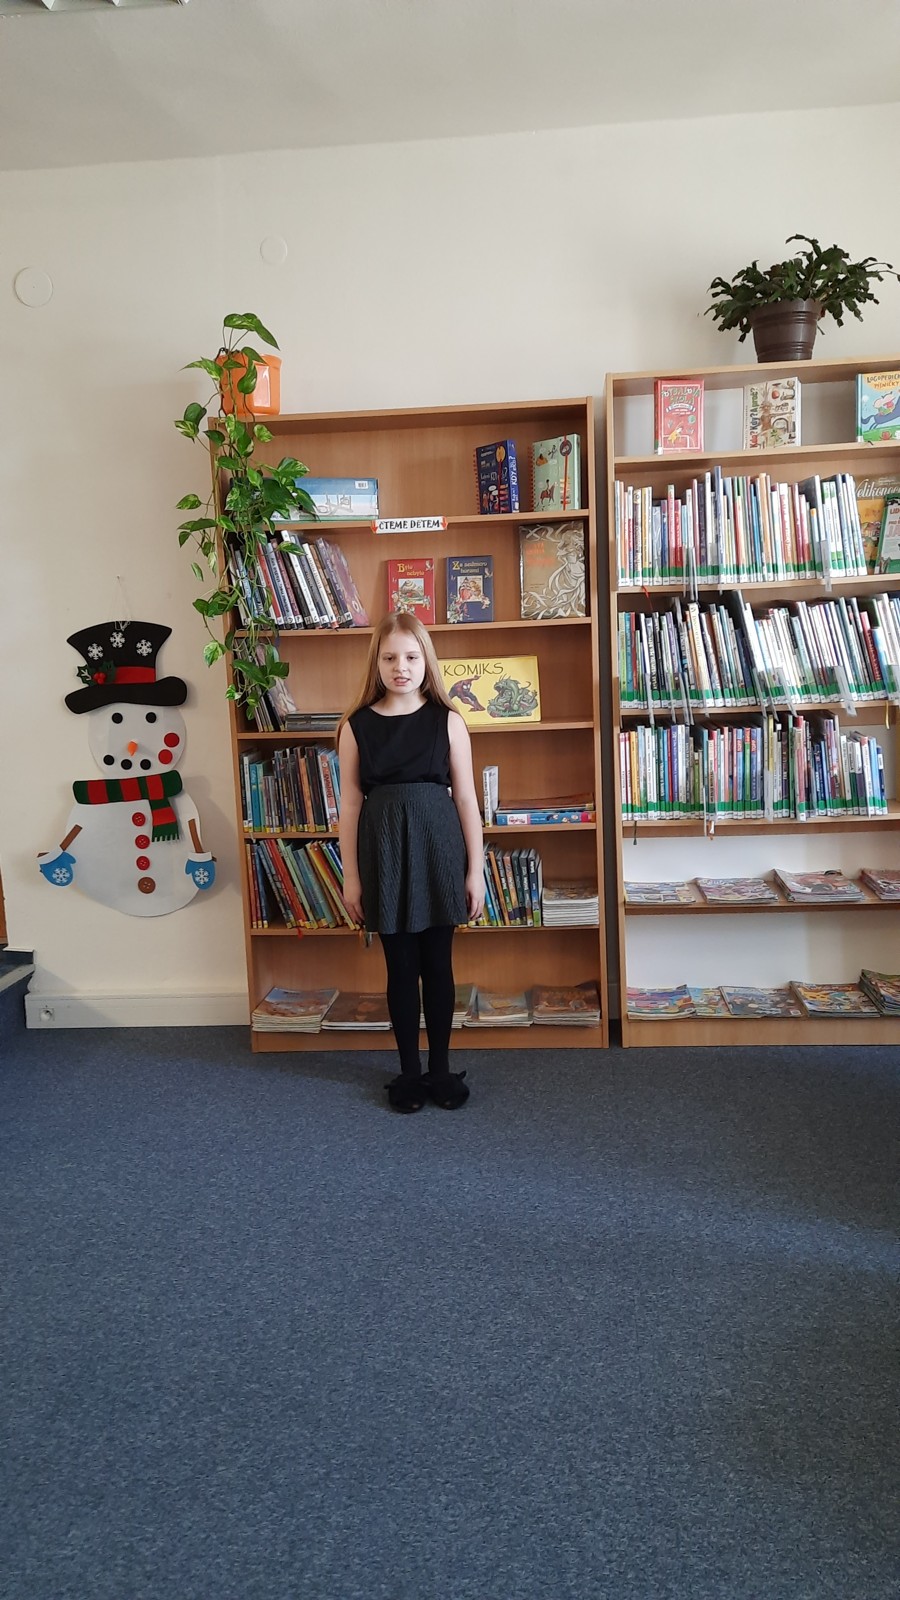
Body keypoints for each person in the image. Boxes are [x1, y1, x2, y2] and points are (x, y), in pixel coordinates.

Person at [337, 611, 485, 1112]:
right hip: (384, 854)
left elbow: (467, 799)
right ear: (376, 663)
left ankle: (440, 1070)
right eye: (390, 658)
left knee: (438, 965)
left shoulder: (449, 721)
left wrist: (475, 870)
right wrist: (351, 876)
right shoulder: (356, 726)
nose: (401, 667)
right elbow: (350, 805)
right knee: (400, 968)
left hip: (439, 850)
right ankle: (407, 1073)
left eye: (411, 657)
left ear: (426, 661)